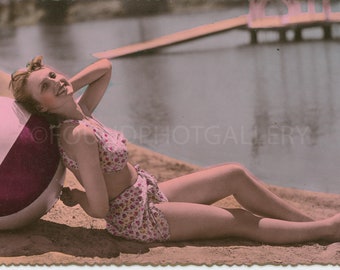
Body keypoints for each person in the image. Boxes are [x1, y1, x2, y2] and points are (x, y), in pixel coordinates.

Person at [10, 56, 340, 244]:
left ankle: (311, 224)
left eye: (52, 74)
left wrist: (66, 89)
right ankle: (325, 230)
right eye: (46, 87)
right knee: (237, 221)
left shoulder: (82, 112)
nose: (55, 81)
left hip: (147, 191)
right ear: (42, 107)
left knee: (234, 174)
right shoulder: (77, 132)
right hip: (135, 217)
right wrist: (78, 198)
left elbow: (106, 67)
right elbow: (98, 208)